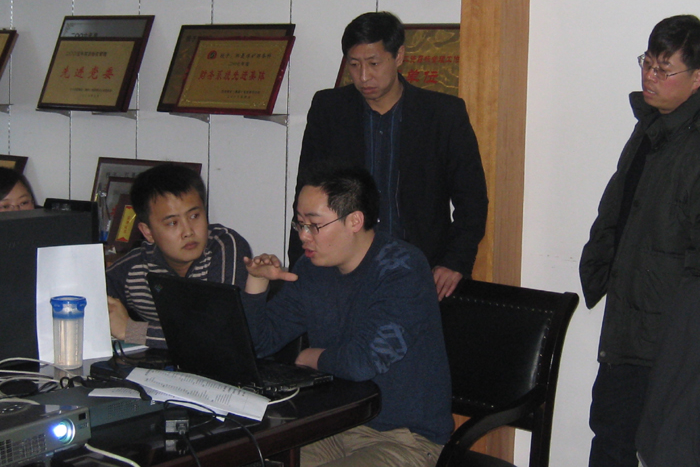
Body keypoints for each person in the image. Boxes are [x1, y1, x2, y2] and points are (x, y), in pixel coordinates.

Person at [579, 15, 700, 467]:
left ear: (698, 77)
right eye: (647, 63)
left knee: (664, 452)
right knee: (610, 439)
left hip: (669, 339)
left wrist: (689, 347)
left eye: (664, 69)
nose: (650, 77)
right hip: (630, 322)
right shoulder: (654, 124)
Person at [243, 163, 453, 467]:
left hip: (406, 439)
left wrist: (310, 357)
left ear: (354, 220)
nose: (304, 236)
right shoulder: (312, 269)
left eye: (314, 225)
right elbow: (259, 344)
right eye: (299, 224)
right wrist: (256, 282)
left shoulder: (402, 269)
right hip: (333, 427)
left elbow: (363, 361)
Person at [290, 11, 488, 300]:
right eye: (354, 64)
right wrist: (301, 265)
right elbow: (306, 191)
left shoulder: (443, 114)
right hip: (343, 270)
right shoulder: (329, 109)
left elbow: (472, 199)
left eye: (374, 63)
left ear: (399, 56)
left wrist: (456, 261)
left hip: (420, 270)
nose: (363, 76)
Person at [106, 163, 251, 348]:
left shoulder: (224, 247)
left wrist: (131, 331)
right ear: (148, 232)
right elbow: (87, 299)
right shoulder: (135, 267)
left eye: (194, 216)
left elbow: (215, 332)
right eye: (173, 223)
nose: (188, 231)